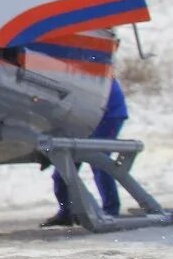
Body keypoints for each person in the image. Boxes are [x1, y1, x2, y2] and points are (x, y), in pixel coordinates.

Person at [44, 77, 130, 226]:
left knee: (99, 161)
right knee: (65, 166)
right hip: (82, 115)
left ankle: (111, 210)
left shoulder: (85, 71)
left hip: (107, 114)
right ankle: (66, 212)